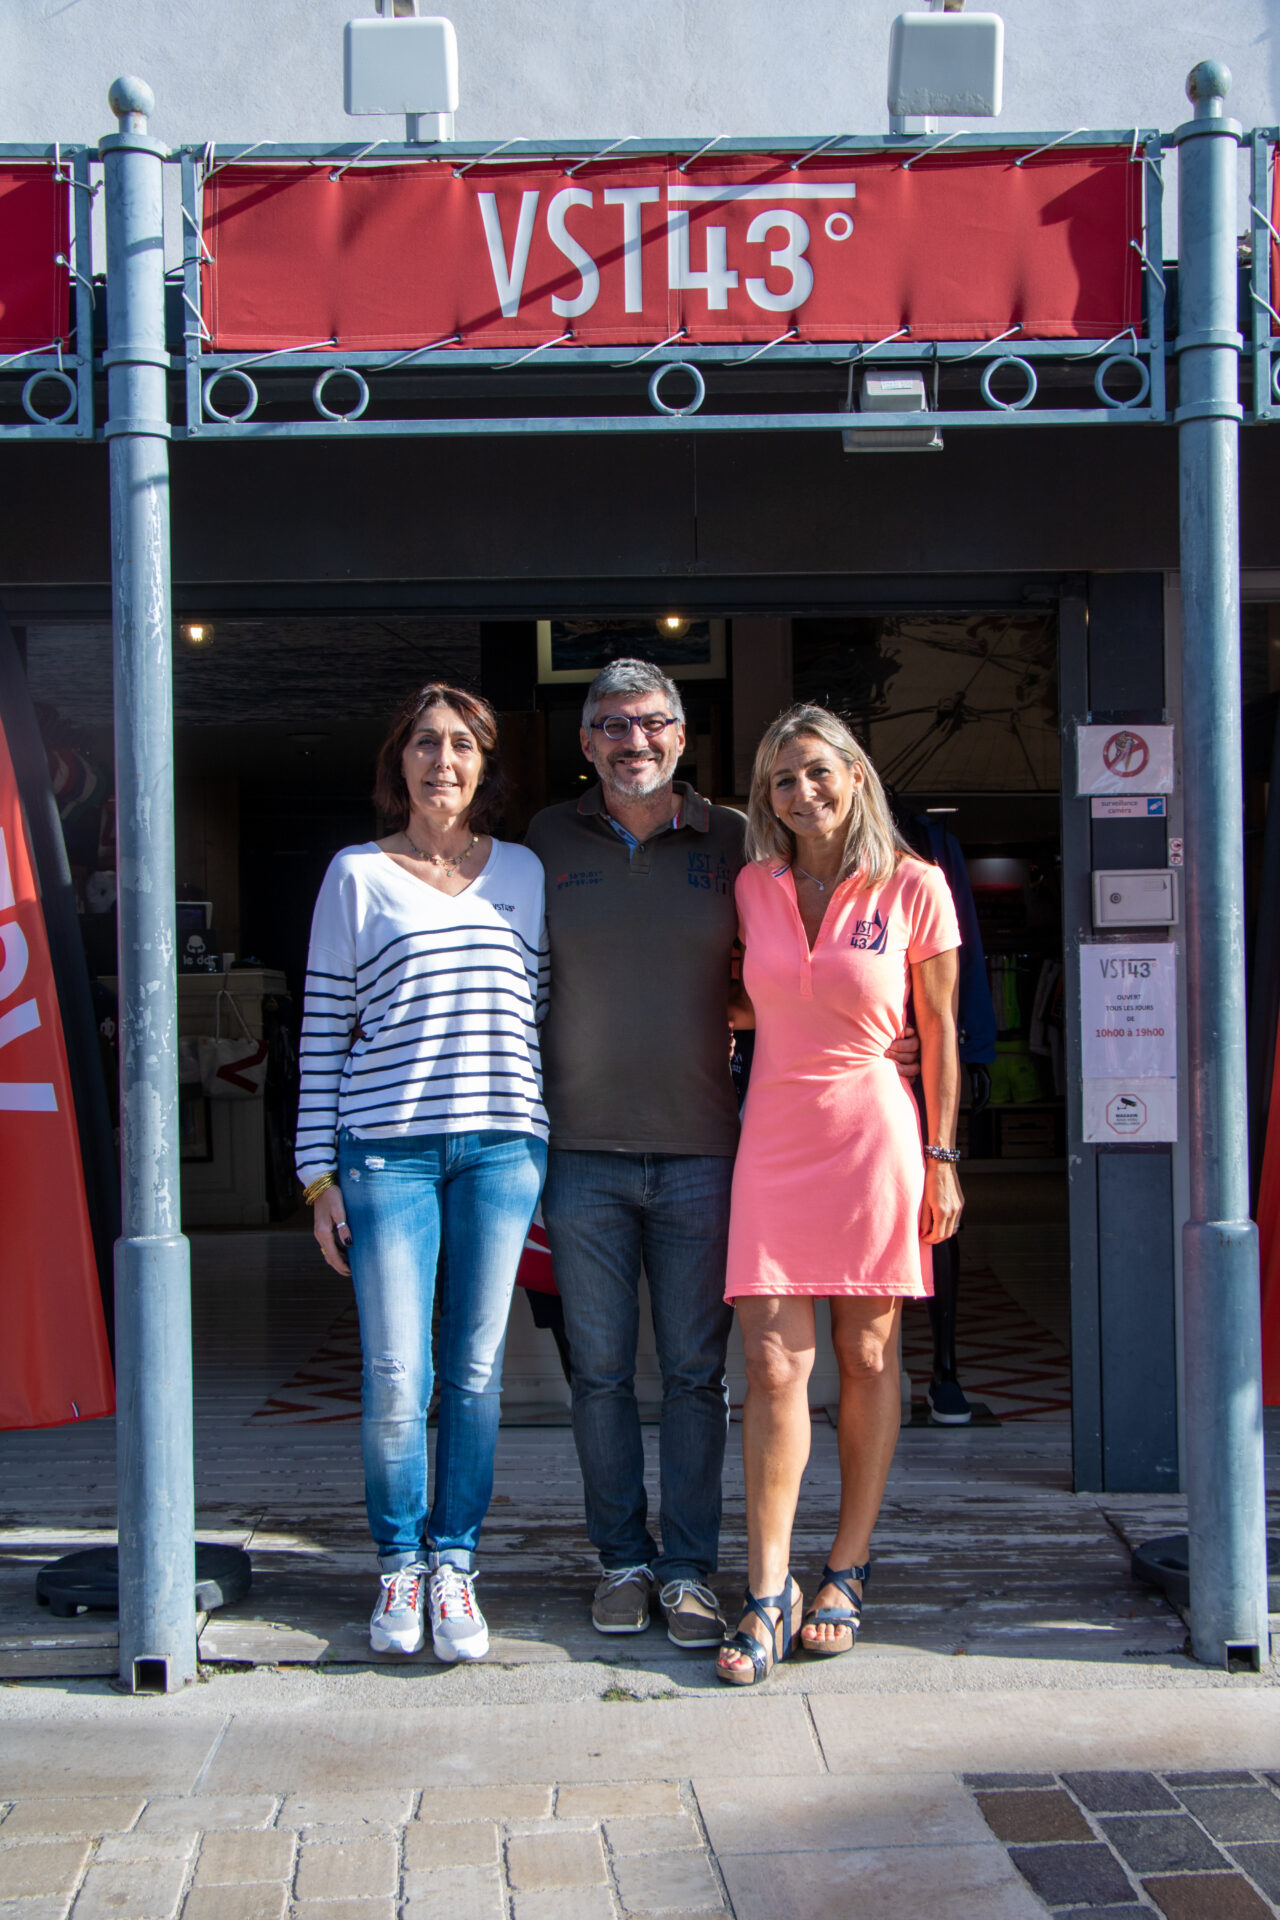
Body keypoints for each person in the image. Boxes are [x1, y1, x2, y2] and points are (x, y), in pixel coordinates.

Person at [295, 684, 548, 1663]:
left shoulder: (521, 873)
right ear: (397, 762)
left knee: (474, 1374)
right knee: (396, 1375)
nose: (442, 761)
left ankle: (455, 1564)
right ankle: (397, 1558)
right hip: (385, 1154)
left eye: (460, 746)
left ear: (482, 766)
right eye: (424, 744)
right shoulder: (355, 875)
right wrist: (317, 1177)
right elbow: (323, 1032)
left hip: (499, 1149)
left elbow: (541, 1010)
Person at [716, 705, 962, 1684]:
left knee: (865, 1356)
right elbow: (744, 996)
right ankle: (765, 1586)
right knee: (772, 1366)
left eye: (817, 772)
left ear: (854, 776)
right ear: (764, 798)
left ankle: (846, 1566)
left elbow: (938, 1029)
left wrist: (942, 1156)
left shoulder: (915, 885)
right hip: (773, 1137)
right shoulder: (751, 884)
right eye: (781, 779)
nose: (801, 793)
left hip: (874, 1136)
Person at [525, 659, 745, 1648]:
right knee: (600, 1375)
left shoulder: (736, 838)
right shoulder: (539, 842)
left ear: (681, 734)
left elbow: (792, 961)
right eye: (611, 725)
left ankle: (690, 1569)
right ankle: (620, 1561)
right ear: (585, 742)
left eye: (651, 722)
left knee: (697, 1374)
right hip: (580, 1155)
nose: (632, 740)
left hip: (705, 1151)